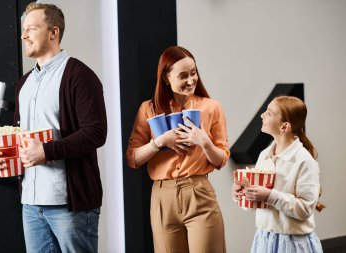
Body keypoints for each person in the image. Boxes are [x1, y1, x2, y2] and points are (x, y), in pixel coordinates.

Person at [0, 2, 107, 253]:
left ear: (53, 32)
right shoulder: (23, 84)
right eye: (23, 29)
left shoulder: (80, 76)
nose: (24, 35)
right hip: (31, 204)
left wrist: (47, 151)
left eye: (31, 28)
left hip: (70, 205)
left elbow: (95, 133)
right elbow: (20, 139)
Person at [126, 46, 230, 253]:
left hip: (199, 192)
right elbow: (133, 158)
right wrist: (160, 141)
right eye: (183, 75)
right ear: (166, 78)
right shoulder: (149, 109)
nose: (191, 80)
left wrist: (204, 142)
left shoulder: (211, 107)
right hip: (163, 196)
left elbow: (220, 160)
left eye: (193, 73)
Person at [232, 96, 323, 253]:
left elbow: (304, 209)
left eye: (269, 113)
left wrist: (269, 196)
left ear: (284, 127)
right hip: (264, 240)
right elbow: (258, 204)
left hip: (293, 244)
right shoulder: (264, 155)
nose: (262, 115)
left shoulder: (304, 162)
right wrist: (243, 194)